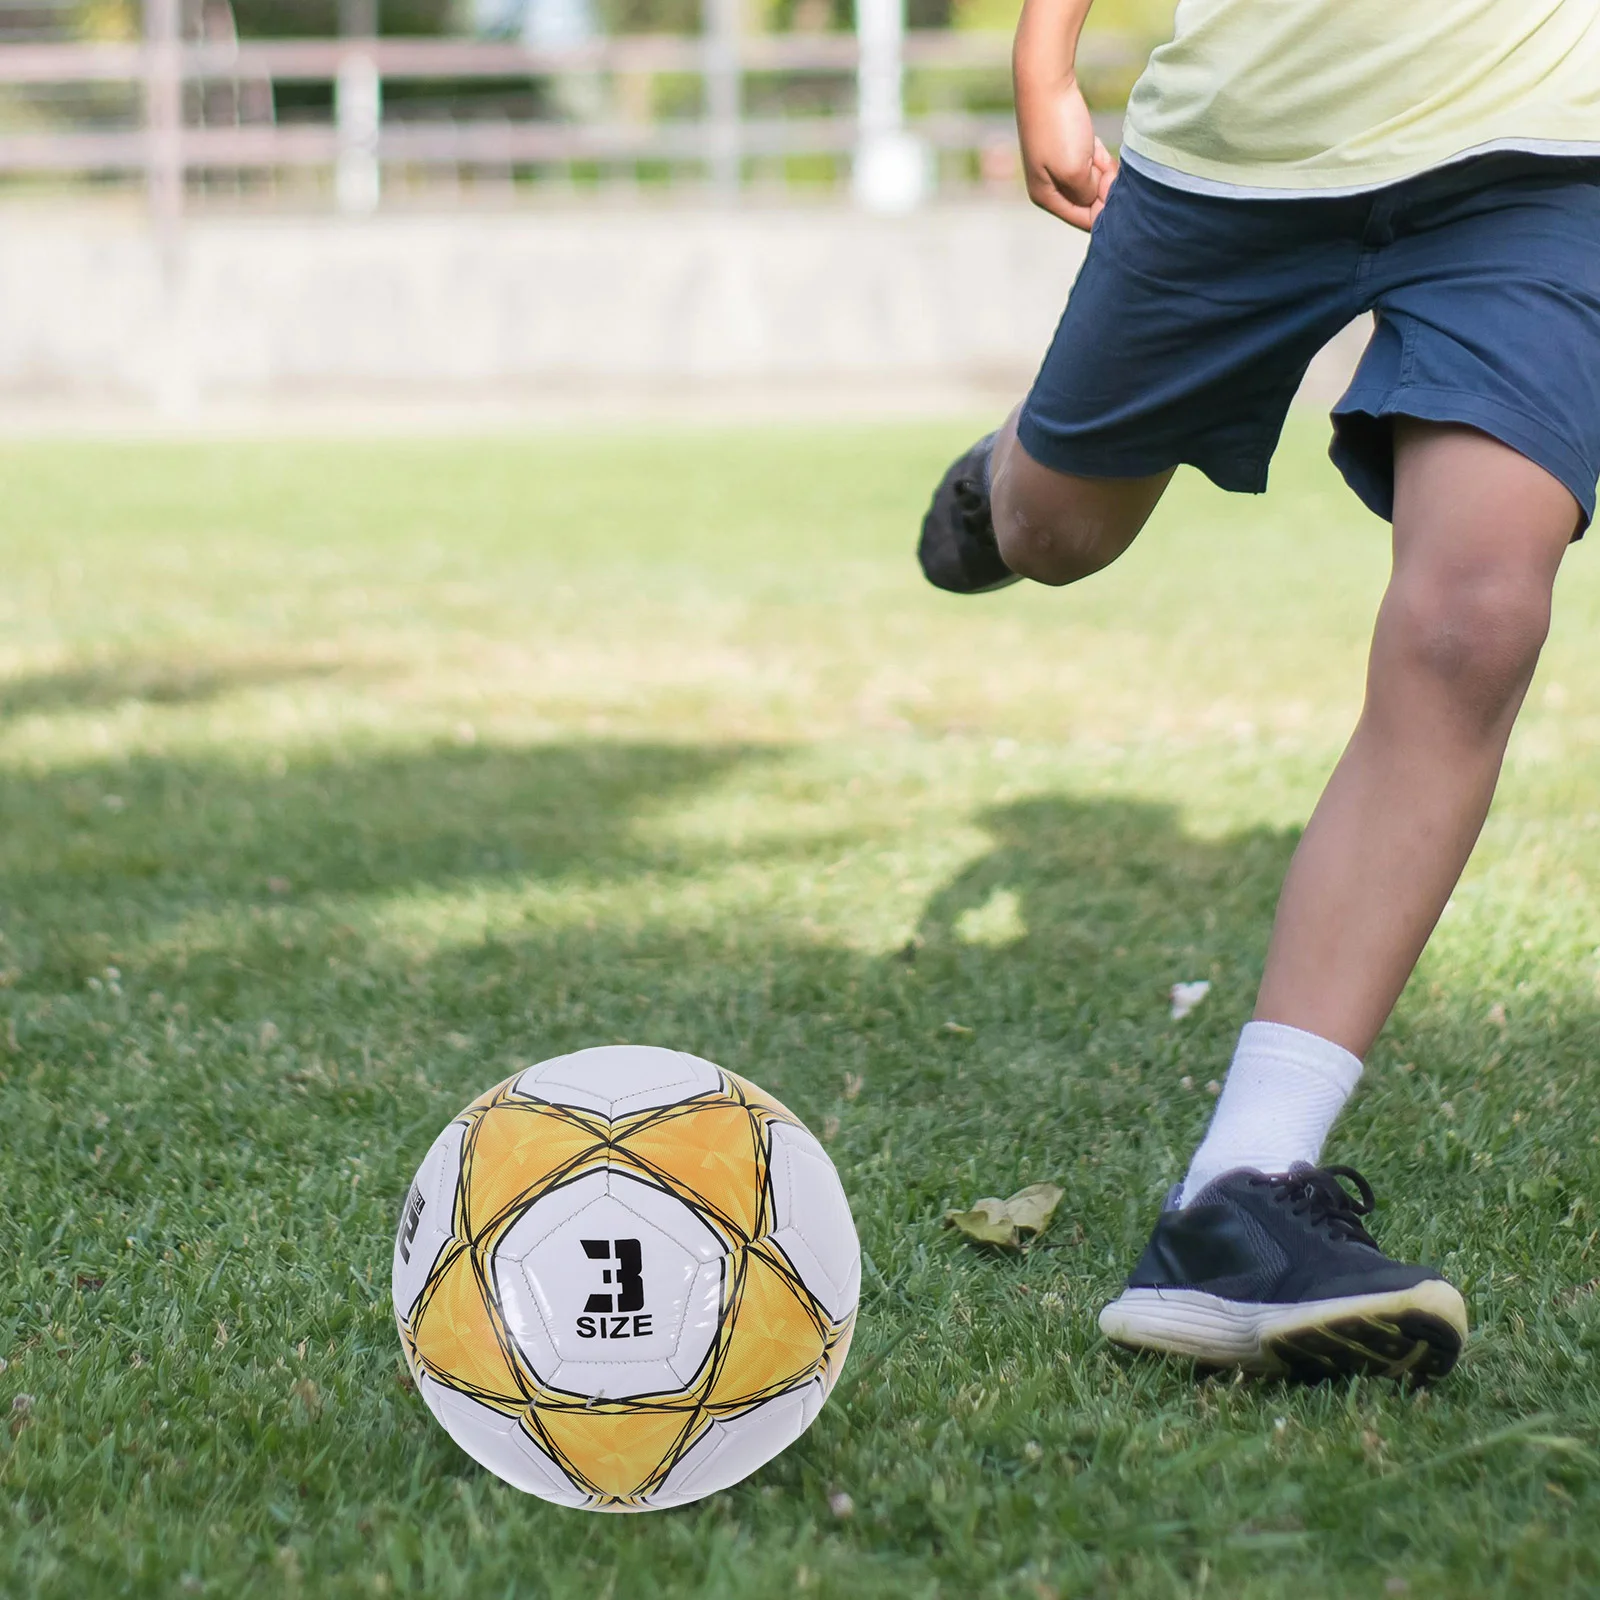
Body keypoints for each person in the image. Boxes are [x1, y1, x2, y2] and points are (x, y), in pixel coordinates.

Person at [919, 0, 1600, 1381]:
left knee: (1476, 615)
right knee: (1061, 530)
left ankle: (1241, 1190)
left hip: (1544, 142)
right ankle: (1011, 484)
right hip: (1248, 146)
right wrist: (1045, 56)